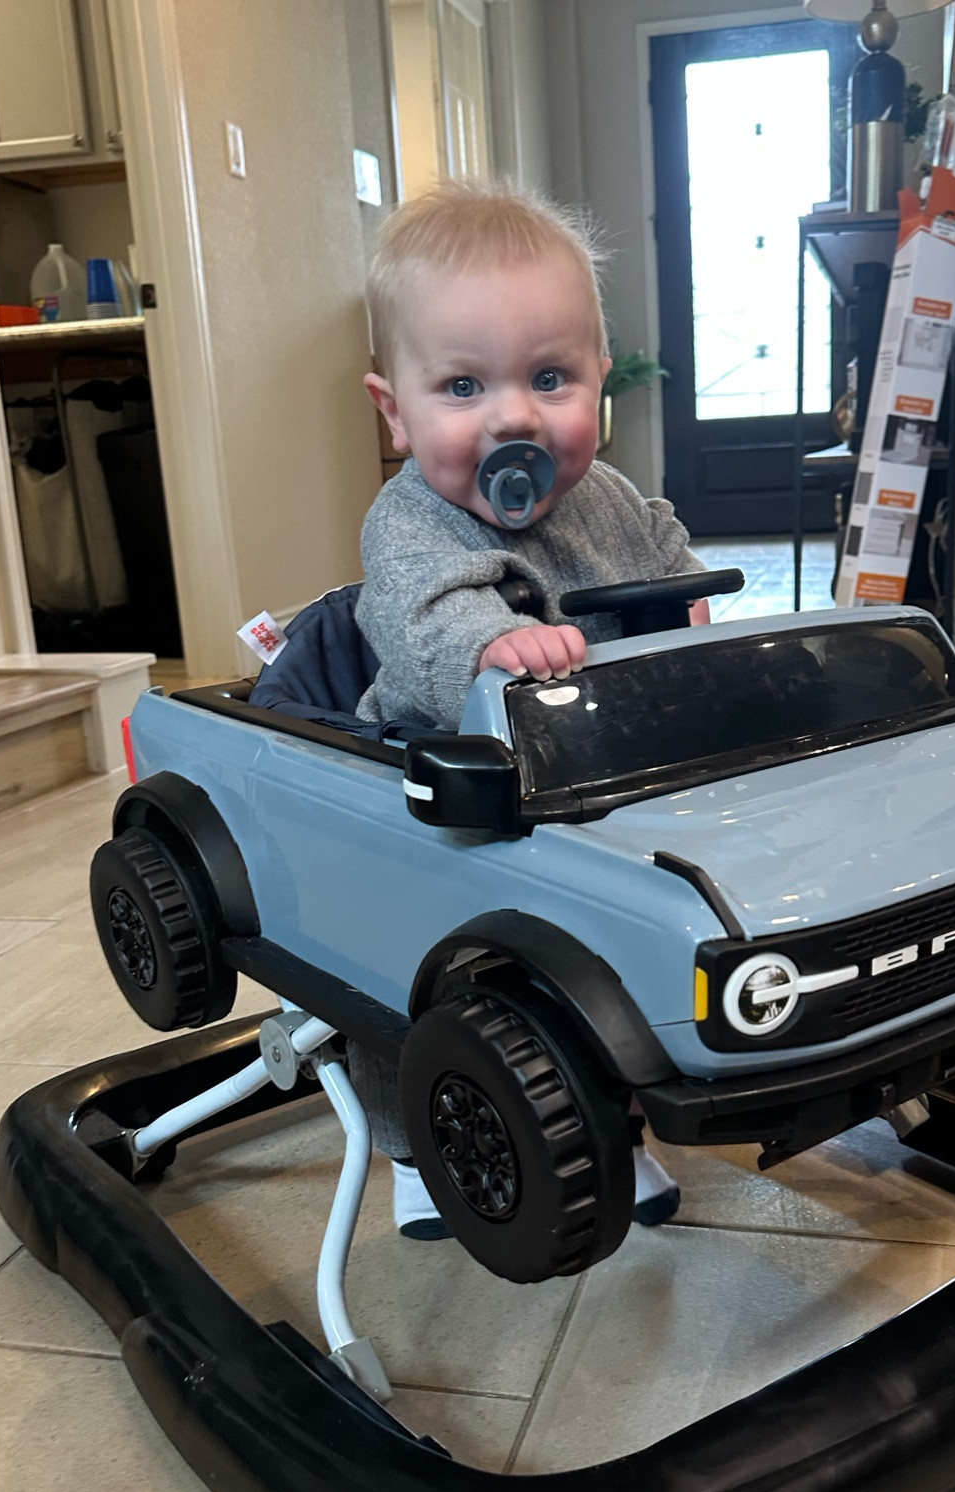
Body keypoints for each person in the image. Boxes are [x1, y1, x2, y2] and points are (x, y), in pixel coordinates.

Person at [353, 177, 701, 1237]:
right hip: (434, 794)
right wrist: (491, 647)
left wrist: (694, 612)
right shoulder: (408, 523)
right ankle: (415, 1142)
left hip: (583, 784)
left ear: (603, 384)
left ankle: (611, 1126)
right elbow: (418, 630)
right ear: (395, 413)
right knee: (398, 965)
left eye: (550, 377)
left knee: (595, 967)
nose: (513, 416)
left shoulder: (610, 500)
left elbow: (672, 567)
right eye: (462, 386)